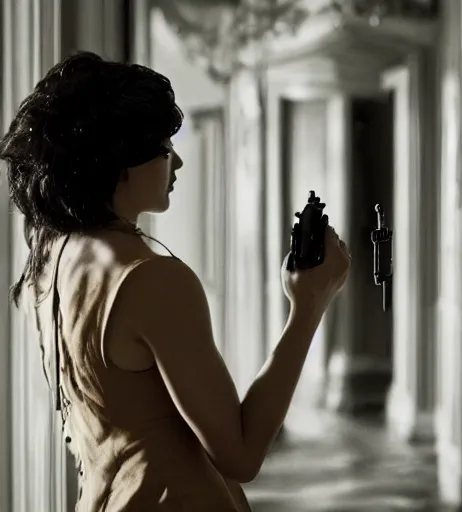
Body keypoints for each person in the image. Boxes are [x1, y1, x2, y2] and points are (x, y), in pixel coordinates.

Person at [1, 51, 350, 511]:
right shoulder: (151, 279)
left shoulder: (47, 259)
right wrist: (307, 308)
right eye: (165, 148)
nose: (178, 161)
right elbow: (240, 455)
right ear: (121, 158)